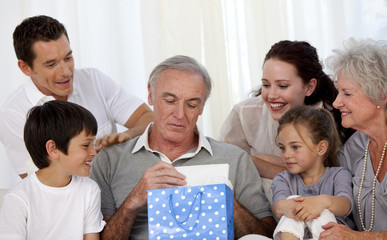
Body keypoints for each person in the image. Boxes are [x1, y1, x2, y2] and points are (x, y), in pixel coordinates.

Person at [90, 55, 276, 239]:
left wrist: (227, 202)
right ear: (150, 94)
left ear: (202, 106)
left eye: (192, 104)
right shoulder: (110, 160)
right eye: (170, 101)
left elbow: (265, 235)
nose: (179, 114)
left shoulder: (234, 159)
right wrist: (132, 202)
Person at [0, 15, 153, 178]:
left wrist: (127, 136)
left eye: (68, 58)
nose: (66, 72)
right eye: (51, 64)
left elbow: (148, 117)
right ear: (25, 68)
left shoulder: (94, 80)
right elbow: (38, 186)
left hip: (117, 185)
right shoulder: (13, 116)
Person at [220, 40, 353, 205]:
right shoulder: (244, 114)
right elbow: (228, 168)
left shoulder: (331, 117)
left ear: (309, 87)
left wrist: (254, 162)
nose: (271, 95)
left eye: (282, 86)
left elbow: (320, 179)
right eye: (266, 85)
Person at [0, 100, 106, 239]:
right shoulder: (18, 199)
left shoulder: (89, 190)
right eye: (86, 145)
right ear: (53, 149)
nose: (93, 152)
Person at [319, 39, 387, 239]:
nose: (337, 102)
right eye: (338, 92)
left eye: (347, 93)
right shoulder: (355, 147)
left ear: (381, 96)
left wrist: (359, 238)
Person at [271, 106, 354, 240]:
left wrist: (323, 202)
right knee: (290, 205)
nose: (286, 155)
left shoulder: (339, 174)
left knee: (323, 212)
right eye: (282, 148)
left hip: (332, 236)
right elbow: (278, 207)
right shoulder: (283, 179)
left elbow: (346, 205)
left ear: (321, 148)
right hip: (297, 236)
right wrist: (291, 206)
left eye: (295, 147)